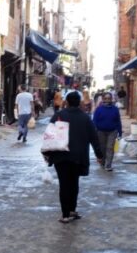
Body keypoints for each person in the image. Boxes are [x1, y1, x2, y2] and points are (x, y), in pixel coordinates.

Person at [46, 91, 103, 223]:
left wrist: (47, 154)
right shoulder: (85, 118)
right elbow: (94, 137)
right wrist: (99, 155)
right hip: (78, 157)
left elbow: (49, 135)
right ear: (79, 103)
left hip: (60, 156)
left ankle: (66, 214)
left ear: (66, 102)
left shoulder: (58, 115)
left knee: (64, 184)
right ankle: (71, 210)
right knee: (74, 183)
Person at [92, 91, 123, 171]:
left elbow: (118, 121)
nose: (107, 100)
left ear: (111, 99)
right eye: (105, 98)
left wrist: (120, 131)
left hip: (112, 131)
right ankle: (102, 162)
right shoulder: (99, 109)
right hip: (100, 132)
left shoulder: (115, 109)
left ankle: (108, 165)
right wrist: (94, 131)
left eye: (109, 98)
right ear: (103, 99)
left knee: (110, 147)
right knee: (102, 148)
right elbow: (94, 121)